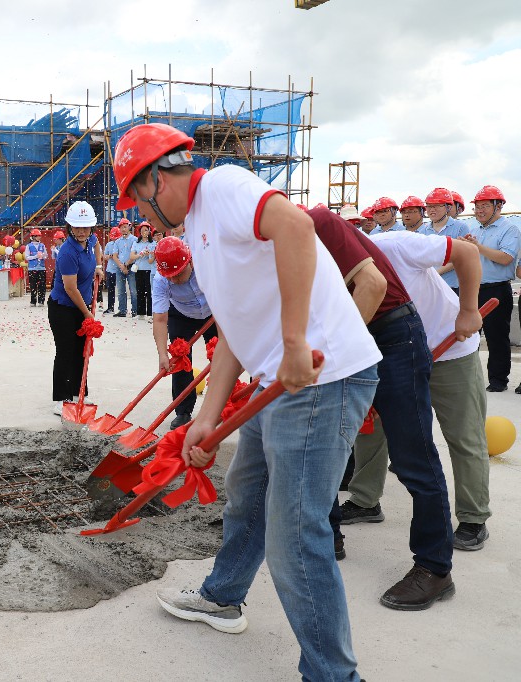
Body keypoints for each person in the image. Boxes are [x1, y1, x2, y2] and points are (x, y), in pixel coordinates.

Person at [114, 122, 380, 681]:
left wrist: (292, 344)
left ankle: (334, 675)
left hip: (316, 379)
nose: (140, 214)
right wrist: (206, 420)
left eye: (137, 199)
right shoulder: (199, 231)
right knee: (246, 494)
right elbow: (233, 328)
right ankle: (224, 596)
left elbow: (295, 226)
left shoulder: (227, 187)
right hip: (272, 383)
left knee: (296, 540)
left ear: (158, 179)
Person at [309, 208, 469, 611]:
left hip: (392, 335)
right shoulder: (261, 252)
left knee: (413, 455)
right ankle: (328, 536)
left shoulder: (317, 223)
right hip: (344, 336)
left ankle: (435, 567)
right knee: (322, 443)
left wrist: (336, 358)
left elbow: (373, 286)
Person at [350, 229, 490, 551]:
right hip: (394, 354)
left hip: (449, 348)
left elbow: (466, 254)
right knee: (373, 427)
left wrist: (468, 309)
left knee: (463, 435)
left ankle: (473, 517)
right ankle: (365, 500)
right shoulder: (330, 271)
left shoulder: (395, 245)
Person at [150, 237, 216, 429]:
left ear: (190, 262)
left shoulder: (208, 265)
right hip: (181, 313)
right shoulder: (161, 280)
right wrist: (162, 354)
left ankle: (220, 405)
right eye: (170, 276)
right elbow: (160, 319)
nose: (174, 280)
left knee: (221, 356)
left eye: (178, 274)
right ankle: (183, 411)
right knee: (180, 359)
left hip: (213, 311)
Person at [459, 186, 519, 392]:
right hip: (473, 289)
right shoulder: (474, 231)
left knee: (496, 336)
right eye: (477, 206)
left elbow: (506, 259)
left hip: (497, 290)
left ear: (499, 206)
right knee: (469, 336)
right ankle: (469, 378)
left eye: (485, 205)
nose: (479, 210)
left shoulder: (510, 229)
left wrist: (477, 247)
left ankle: (498, 380)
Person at [47, 201, 104, 414]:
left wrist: (98, 266)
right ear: (70, 227)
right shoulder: (67, 252)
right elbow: (71, 289)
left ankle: (79, 393)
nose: (81, 232)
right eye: (77, 227)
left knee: (82, 352)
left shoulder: (91, 241)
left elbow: (98, 245)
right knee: (65, 351)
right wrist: (88, 313)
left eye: (86, 227)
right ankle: (61, 398)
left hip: (82, 307)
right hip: (63, 308)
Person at [421, 188, 473, 290]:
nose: (431, 210)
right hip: (429, 286)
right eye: (429, 206)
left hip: (453, 285)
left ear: (448, 207)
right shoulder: (423, 230)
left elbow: (460, 257)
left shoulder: (460, 227)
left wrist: (436, 272)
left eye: (436, 206)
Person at [111, 218, 138, 317]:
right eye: (121, 227)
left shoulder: (135, 240)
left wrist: (126, 265)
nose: (123, 229)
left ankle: (135, 311)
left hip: (131, 267)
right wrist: (122, 266)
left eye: (125, 227)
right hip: (120, 267)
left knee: (133, 291)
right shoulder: (117, 242)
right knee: (121, 290)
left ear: (129, 227)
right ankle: (122, 310)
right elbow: (114, 255)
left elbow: (134, 254)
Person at [131, 221, 155, 320]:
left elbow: (152, 258)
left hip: (149, 270)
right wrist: (140, 254)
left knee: (149, 292)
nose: (144, 232)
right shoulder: (136, 243)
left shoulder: (153, 243)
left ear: (149, 231)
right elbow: (132, 256)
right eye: (142, 230)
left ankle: (150, 313)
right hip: (139, 270)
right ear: (139, 232)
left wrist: (149, 254)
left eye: (146, 230)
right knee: (140, 291)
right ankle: (141, 313)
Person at [25, 228, 48, 306]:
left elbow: (46, 255)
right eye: (38, 236)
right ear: (33, 237)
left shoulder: (42, 245)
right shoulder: (29, 246)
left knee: (42, 285)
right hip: (32, 268)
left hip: (41, 267)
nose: (39, 237)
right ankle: (33, 301)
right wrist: (35, 256)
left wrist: (43, 256)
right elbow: (27, 257)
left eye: (39, 236)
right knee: (33, 285)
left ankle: (41, 301)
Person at [102, 225, 121, 313]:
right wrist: (110, 256)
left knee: (121, 290)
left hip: (119, 269)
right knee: (111, 289)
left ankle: (122, 309)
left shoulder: (121, 244)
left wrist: (116, 257)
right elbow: (104, 256)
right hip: (110, 270)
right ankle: (110, 307)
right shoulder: (109, 245)